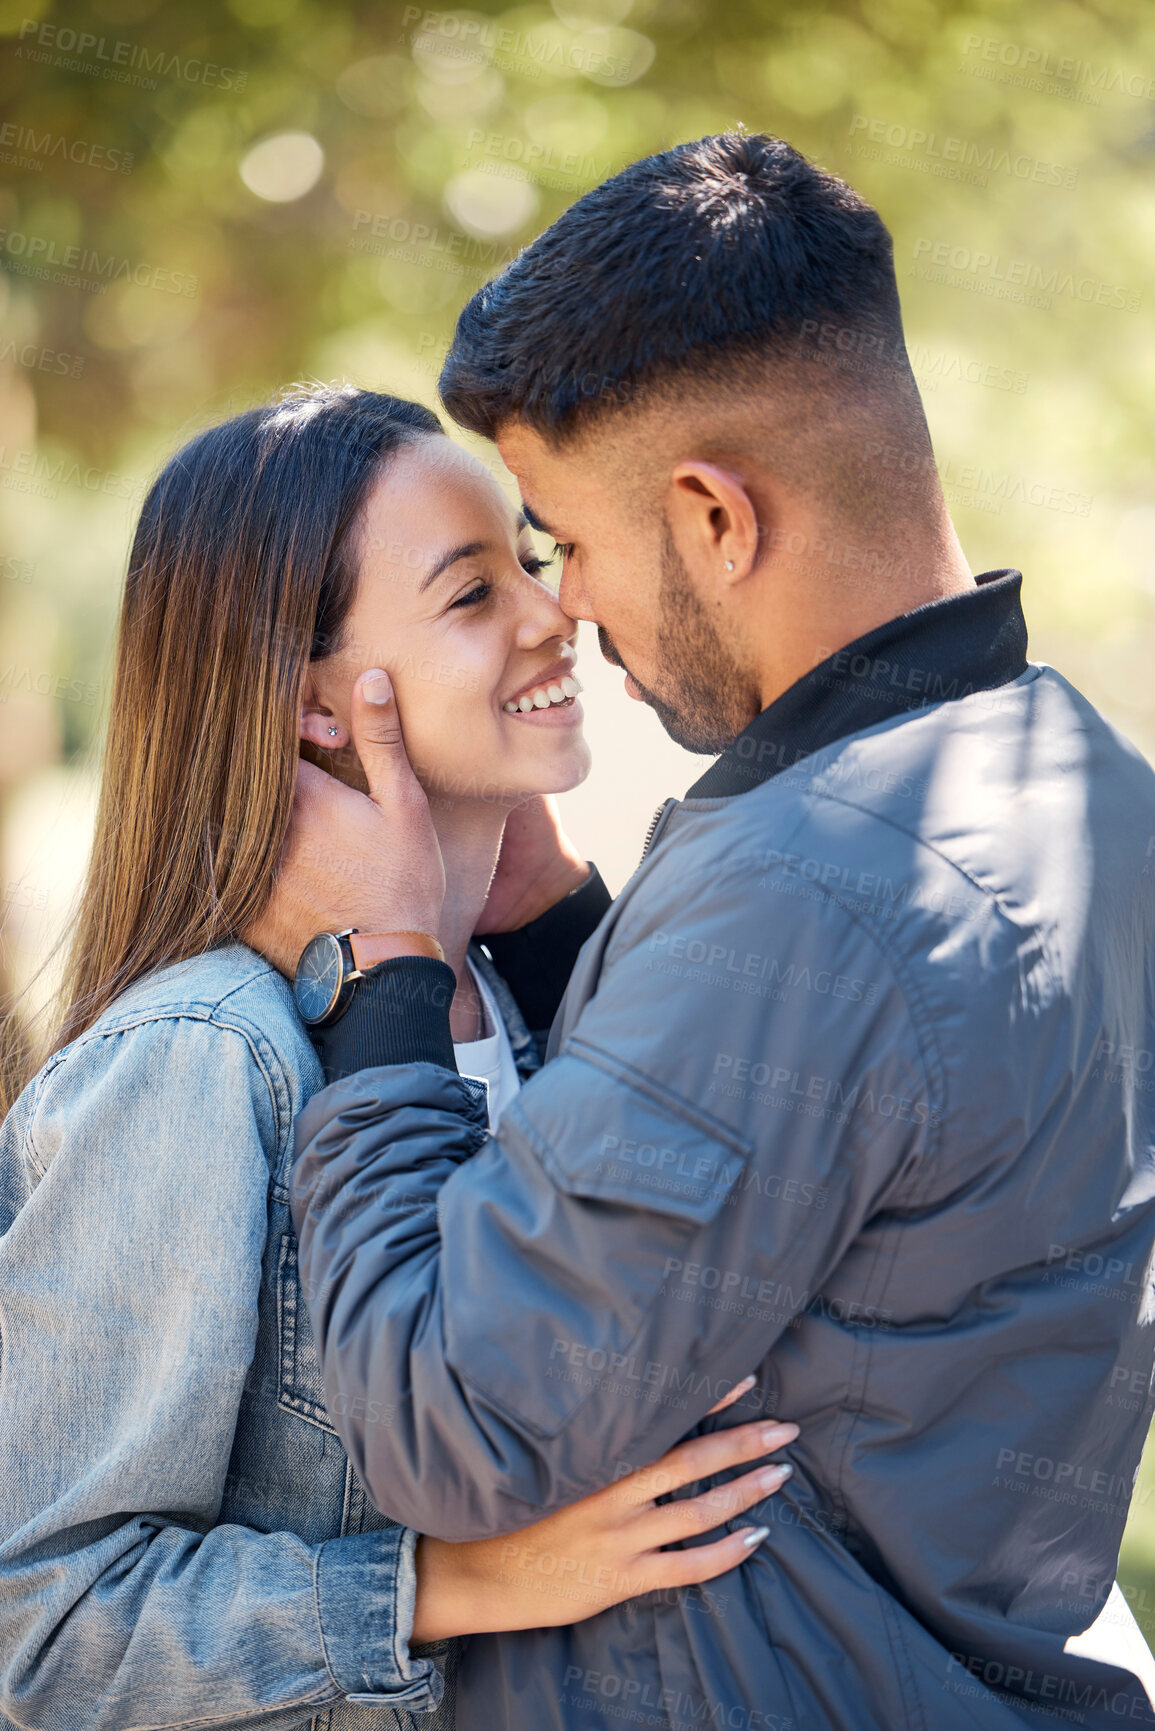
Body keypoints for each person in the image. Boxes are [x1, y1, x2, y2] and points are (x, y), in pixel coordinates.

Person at [268, 135, 1155, 1729]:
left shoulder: (818, 882)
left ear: (715, 518)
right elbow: (820, 1165)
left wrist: (386, 969)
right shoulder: (1087, 781)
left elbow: (451, 1424)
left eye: (568, 541)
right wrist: (549, 924)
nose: (570, 609)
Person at [0, 384, 798, 1731]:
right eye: (472, 594)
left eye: (533, 563)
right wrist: (453, 1583)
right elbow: (49, 1627)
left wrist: (551, 917)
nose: (560, 614)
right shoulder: (204, 1059)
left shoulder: (528, 996)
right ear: (318, 705)